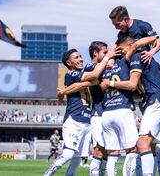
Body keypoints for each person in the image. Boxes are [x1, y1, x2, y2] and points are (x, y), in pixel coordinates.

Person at [44, 46, 119, 176]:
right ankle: (47, 174)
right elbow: (95, 75)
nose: (80, 59)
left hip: (87, 123)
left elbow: (98, 67)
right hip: (74, 120)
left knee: (77, 160)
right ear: (69, 63)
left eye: (80, 56)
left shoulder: (85, 70)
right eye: (76, 57)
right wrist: (108, 56)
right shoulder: (71, 73)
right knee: (68, 154)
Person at [102, 35, 160, 175]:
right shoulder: (137, 58)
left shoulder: (137, 56)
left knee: (142, 144)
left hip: (155, 102)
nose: (121, 53)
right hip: (152, 102)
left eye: (121, 50)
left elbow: (132, 84)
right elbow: (137, 91)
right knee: (146, 144)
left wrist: (110, 83)